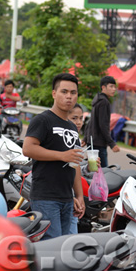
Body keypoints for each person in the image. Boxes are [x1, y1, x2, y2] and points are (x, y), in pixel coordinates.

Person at [22, 73, 85, 239]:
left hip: (67, 198)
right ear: (54, 94)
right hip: (45, 198)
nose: (69, 97)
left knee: (64, 250)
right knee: (51, 251)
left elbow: (75, 162)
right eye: (64, 92)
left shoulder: (72, 127)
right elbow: (28, 149)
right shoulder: (43, 120)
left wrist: (78, 195)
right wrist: (62, 155)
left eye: (73, 93)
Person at [68, 103, 101, 234]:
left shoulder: (76, 140)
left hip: (72, 197)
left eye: (81, 118)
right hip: (62, 196)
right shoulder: (65, 139)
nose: (78, 122)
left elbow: (75, 170)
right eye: (74, 118)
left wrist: (89, 167)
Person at [84, 76, 120, 168]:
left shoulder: (97, 100)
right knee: (103, 171)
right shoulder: (104, 102)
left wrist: (85, 138)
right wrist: (112, 143)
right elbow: (103, 125)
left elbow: (91, 122)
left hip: (92, 141)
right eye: (111, 86)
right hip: (99, 144)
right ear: (103, 87)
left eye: (114, 87)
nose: (114, 89)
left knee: (93, 169)